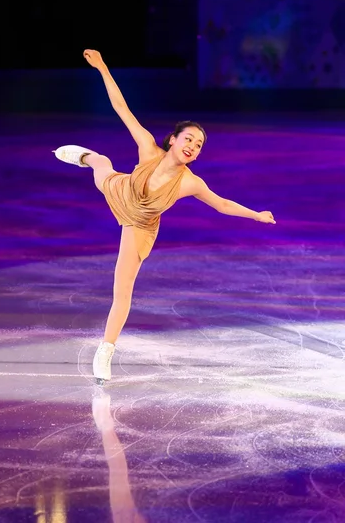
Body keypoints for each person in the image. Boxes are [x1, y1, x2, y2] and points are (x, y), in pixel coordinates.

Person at [54, 49, 276, 385]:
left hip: (140, 223)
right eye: (188, 139)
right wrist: (102, 67)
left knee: (122, 289)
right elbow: (121, 108)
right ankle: (87, 155)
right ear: (173, 140)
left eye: (198, 145)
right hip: (122, 190)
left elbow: (222, 204)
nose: (192, 146)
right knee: (101, 166)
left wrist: (256, 215)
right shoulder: (147, 147)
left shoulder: (190, 182)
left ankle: (106, 350)